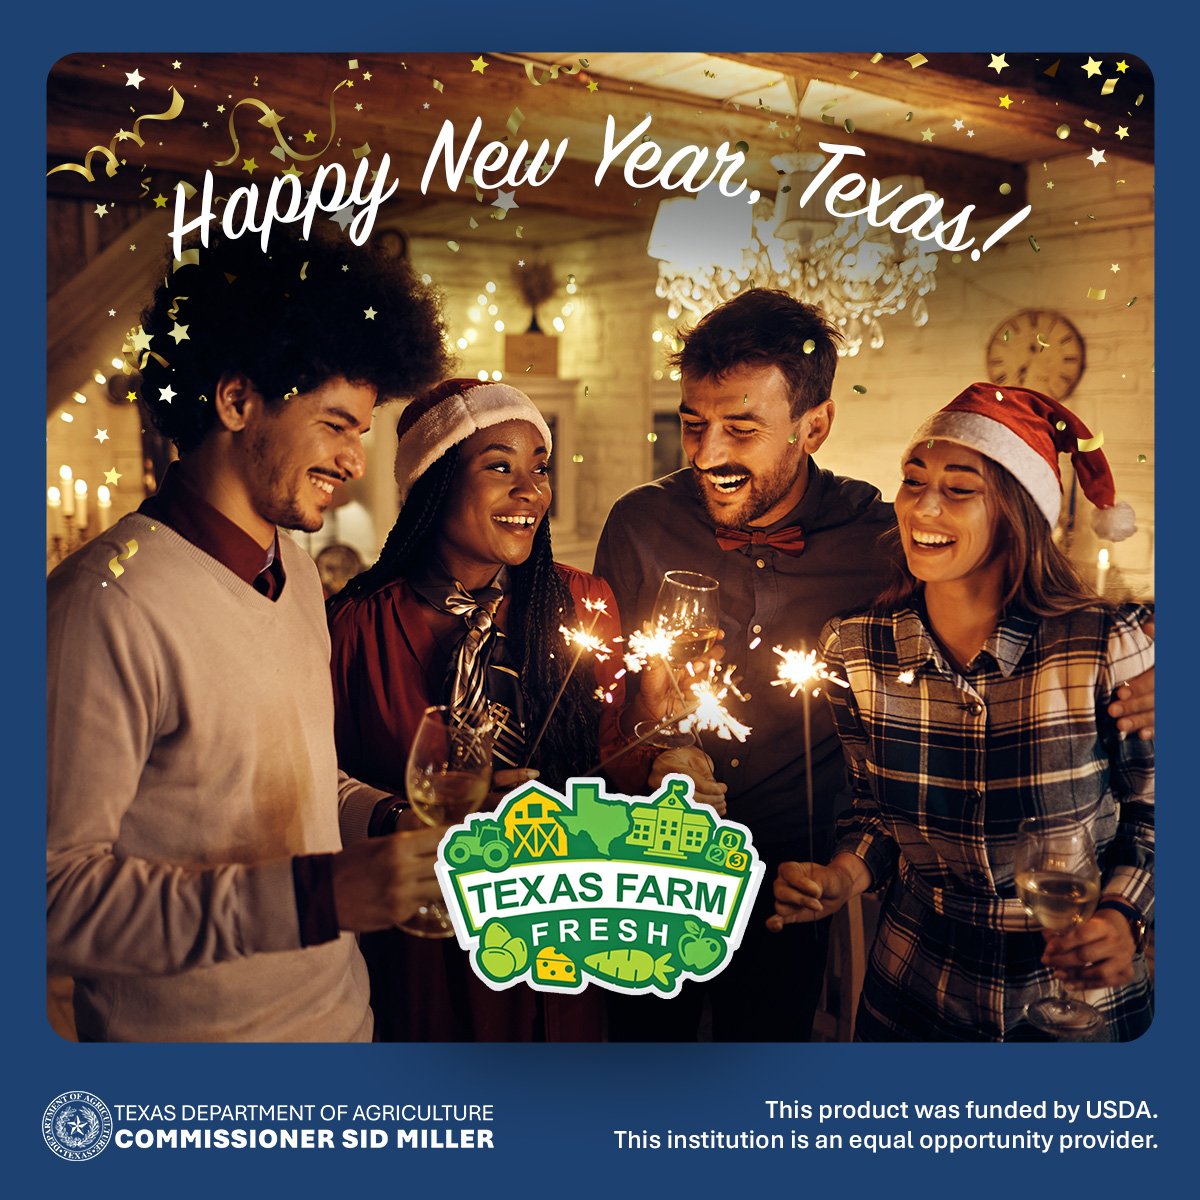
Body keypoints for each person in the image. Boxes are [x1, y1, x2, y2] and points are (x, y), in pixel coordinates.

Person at [593, 288, 1155, 1043]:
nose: (708, 452)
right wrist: (651, 743)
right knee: (635, 1058)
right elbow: (594, 710)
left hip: (788, 866)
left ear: (814, 425)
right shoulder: (638, 524)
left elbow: (1023, 600)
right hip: (645, 857)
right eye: (694, 425)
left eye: (741, 427)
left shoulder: (877, 535)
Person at [46, 226, 454, 1041]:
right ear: (237, 401)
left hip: (343, 1029)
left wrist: (388, 825)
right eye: (336, 424)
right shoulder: (103, 605)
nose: (353, 458)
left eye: (363, 430)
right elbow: (51, 898)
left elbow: (299, 783)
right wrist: (316, 899)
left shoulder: (296, 570)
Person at [770, 383, 1153, 1041]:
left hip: (1082, 1005)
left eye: (958, 488)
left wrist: (1125, 918)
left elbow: (1155, 813)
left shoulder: (1107, 645)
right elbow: (875, 815)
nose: (922, 504)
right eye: (912, 481)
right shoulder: (855, 648)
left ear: (1016, 510)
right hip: (913, 997)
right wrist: (840, 876)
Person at [327, 378, 669, 1041]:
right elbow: (320, 793)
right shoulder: (354, 628)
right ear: (433, 483)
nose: (531, 491)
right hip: (424, 952)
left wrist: (658, 750)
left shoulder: (584, 604)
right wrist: (410, 818)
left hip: (557, 939)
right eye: (499, 467)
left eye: (539, 469)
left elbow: (608, 763)